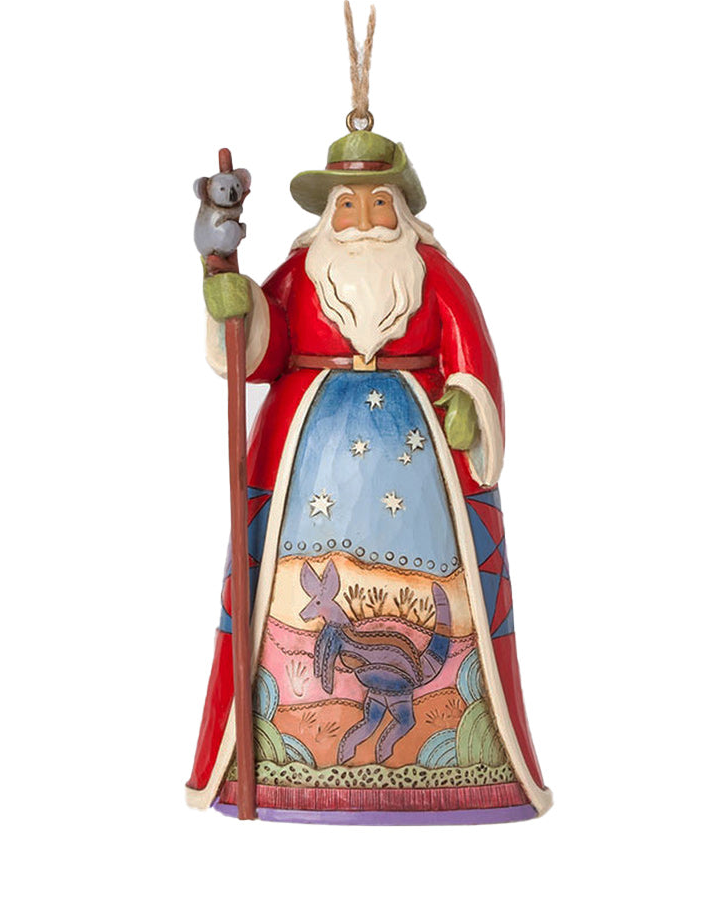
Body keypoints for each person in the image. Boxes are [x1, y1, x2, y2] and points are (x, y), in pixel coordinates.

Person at [186, 129, 552, 824]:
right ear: (328, 216)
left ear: (402, 210)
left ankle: (453, 767)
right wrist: (231, 295)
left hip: (421, 461)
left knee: (448, 572)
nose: (360, 219)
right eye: (346, 205)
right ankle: (276, 759)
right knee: (280, 578)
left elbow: (469, 351)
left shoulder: (434, 275)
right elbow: (259, 349)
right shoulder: (302, 274)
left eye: (376, 202)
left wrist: (469, 402)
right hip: (302, 457)